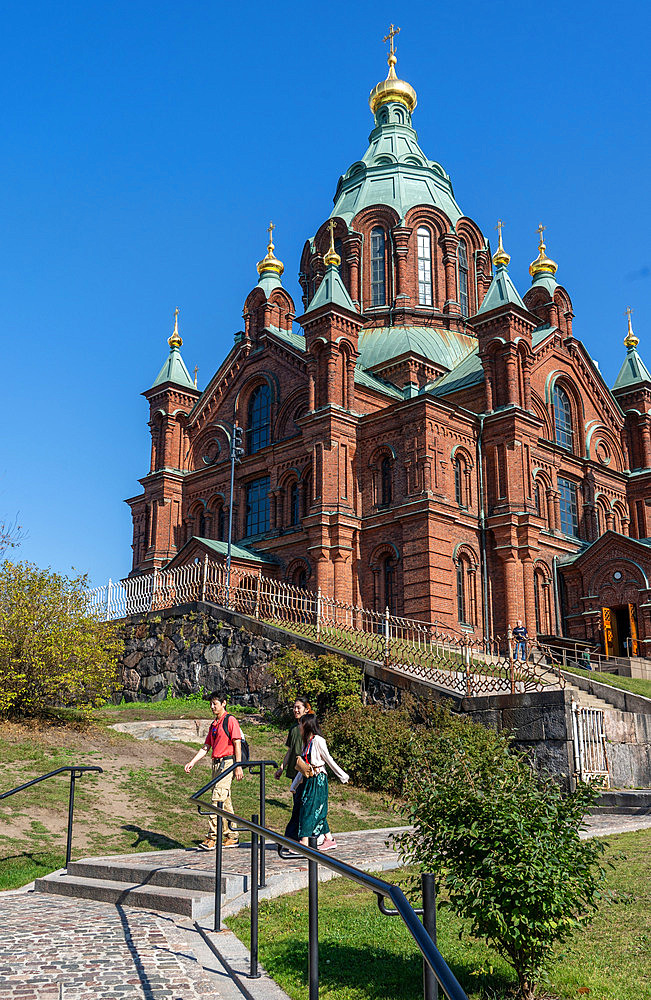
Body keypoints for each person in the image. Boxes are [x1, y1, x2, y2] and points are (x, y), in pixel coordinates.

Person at [185, 691, 244, 850]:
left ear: (223, 703)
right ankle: (232, 835)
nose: (212, 707)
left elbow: (237, 743)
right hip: (216, 764)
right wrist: (192, 762)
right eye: (211, 704)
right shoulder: (214, 724)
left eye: (215, 704)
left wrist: (238, 766)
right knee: (225, 802)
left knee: (216, 798)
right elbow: (206, 747)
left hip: (228, 762)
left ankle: (212, 837)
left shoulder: (230, 720)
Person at [291, 714, 349, 850]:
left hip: (318, 780)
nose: (299, 726)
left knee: (308, 809)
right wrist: (294, 785)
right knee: (314, 809)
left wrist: (342, 775)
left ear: (308, 725)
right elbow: (303, 768)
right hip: (309, 779)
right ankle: (329, 838)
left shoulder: (318, 741)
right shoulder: (307, 742)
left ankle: (304, 842)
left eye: (301, 724)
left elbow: (329, 759)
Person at [274, 695, 311, 840]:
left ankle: (295, 837)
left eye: (298, 707)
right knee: (298, 804)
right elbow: (290, 751)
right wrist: (282, 767)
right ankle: (299, 837)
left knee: (302, 806)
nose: (295, 710)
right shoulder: (293, 728)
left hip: (305, 772)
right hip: (294, 772)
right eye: (294, 707)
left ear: (306, 709)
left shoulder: (309, 727)